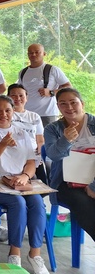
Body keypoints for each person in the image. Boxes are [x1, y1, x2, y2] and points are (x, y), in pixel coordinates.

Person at [0, 95, 50, 273]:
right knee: (17, 203)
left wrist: (25, 175)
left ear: (13, 111)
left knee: (38, 203)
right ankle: (14, 253)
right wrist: (2, 144)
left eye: (7, 110)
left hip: (18, 182)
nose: (3, 114)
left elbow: (31, 162)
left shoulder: (22, 131)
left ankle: (35, 254)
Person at [44, 87, 95, 242]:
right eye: (63, 104)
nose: (69, 107)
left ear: (82, 103)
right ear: (58, 107)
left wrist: (93, 186)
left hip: (93, 181)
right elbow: (53, 155)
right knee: (82, 203)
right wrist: (65, 140)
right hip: (66, 183)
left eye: (73, 102)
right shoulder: (53, 128)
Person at [18, 43, 71, 126]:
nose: (33, 54)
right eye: (30, 53)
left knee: (48, 138)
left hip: (47, 114)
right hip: (27, 113)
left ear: (44, 54)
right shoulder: (23, 72)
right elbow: (20, 91)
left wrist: (51, 92)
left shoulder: (53, 70)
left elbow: (68, 86)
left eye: (37, 52)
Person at [8, 84, 45, 182]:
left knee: (45, 180)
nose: (17, 98)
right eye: (13, 96)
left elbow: (40, 140)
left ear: (26, 98)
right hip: (15, 155)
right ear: (8, 98)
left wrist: (40, 153)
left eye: (21, 95)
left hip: (34, 156)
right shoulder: (6, 115)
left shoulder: (35, 116)